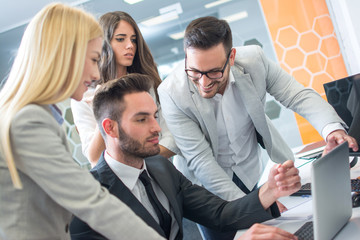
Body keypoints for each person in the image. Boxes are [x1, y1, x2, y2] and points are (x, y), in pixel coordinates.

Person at [157, 16, 359, 239]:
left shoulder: (254, 60)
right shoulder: (171, 92)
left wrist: (332, 129)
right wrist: (257, 206)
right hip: (208, 190)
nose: (204, 83)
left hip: (249, 171)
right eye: (194, 72)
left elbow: (296, 94)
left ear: (231, 57)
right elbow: (201, 161)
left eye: (214, 72)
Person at [0, 4, 166, 239]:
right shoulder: (29, 120)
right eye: (93, 59)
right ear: (66, 56)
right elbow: (90, 201)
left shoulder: (36, 115)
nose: (97, 74)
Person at [69, 74, 301, 240]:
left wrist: (270, 190)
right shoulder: (87, 200)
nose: (157, 128)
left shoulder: (160, 167)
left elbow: (219, 213)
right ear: (110, 129)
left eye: (155, 117)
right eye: (142, 119)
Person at [71, 11, 177, 167]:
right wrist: (104, 107)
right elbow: (94, 157)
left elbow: (171, 139)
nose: (130, 45)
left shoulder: (146, 85)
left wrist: (139, 164)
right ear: (103, 43)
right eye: (120, 39)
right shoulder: (84, 95)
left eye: (133, 40)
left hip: (159, 174)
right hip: (118, 184)